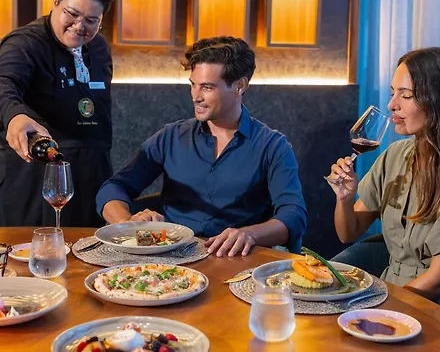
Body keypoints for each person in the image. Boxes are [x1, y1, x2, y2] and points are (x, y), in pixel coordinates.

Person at [97, 36, 307, 257]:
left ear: (239, 86)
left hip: (234, 260)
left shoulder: (272, 146)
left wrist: (250, 234)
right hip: (170, 259)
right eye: (193, 85)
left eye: (207, 87)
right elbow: (113, 188)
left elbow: (294, 215)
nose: (195, 96)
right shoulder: (171, 137)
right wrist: (127, 223)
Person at [328, 47, 440, 306]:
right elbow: (348, 232)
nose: (391, 105)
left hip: (432, 305)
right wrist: (344, 198)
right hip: (389, 290)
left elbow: (439, 279)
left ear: (439, 98)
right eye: (392, 93)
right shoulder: (394, 155)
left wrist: (380, 305)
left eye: (406, 95)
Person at [0, 0, 116, 227]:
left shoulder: (99, 47)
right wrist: (15, 116)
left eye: (91, 20)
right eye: (72, 14)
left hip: (92, 175)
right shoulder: (24, 44)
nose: (79, 26)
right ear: (55, 2)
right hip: (36, 179)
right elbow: (4, 84)